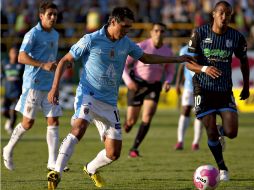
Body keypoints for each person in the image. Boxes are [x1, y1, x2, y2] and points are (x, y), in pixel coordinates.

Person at [46, 7, 195, 190]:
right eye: (124, 26)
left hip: (109, 103)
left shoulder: (126, 43)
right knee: (79, 126)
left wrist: (177, 59)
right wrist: (54, 88)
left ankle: (91, 168)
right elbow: (64, 60)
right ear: (113, 21)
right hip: (88, 94)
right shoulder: (90, 39)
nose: (127, 31)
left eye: (130, 28)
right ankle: (56, 172)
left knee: (114, 153)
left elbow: (146, 58)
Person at [186, 1, 250, 181]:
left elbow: (244, 62)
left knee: (232, 132)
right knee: (210, 132)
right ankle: (222, 168)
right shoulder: (199, 33)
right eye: (221, 13)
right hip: (203, 89)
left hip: (224, 90)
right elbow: (189, 62)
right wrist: (205, 69)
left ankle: (221, 130)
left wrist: (245, 86)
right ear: (213, 14)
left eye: (228, 14)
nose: (224, 17)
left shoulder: (236, 37)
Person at [2, 0, 66, 172]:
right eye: (49, 15)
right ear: (41, 16)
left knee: (53, 120)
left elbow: (52, 60)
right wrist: (42, 65)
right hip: (33, 85)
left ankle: (52, 162)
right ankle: (7, 149)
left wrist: (57, 75)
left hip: (49, 85)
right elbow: (21, 57)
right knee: (28, 123)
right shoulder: (32, 34)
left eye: (55, 15)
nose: (53, 18)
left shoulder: (55, 35)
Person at [122, 22, 175, 158]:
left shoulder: (167, 51)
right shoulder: (141, 46)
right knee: (131, 121)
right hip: (137, 85)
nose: (159, 33)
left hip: (154, 86)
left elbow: (170, 71)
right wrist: (129, 82)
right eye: (156, 30)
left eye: (162, 31)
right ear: (151, 32)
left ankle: (134, 148)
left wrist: (168, 82)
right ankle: (127, 125)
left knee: (147, 116)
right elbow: (124, 65)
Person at [174, 45, 202, 151]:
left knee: (199, 113)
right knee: (185, 110)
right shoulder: (184, 49)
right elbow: (181, 67)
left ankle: (195, 143)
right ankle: (180, 141)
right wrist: (178, 83)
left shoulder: (207, 47)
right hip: (188, 87)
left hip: (202, 87)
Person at [1, 46, 24, 135]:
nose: (14, 55)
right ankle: (9, 119)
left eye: (16, 53)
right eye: (13, 53)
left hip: (17, 93)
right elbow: (2, 75)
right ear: (9, 54)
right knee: (3, 112)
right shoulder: (4, 64)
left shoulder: (21, 65)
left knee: (13, 111)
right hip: (7, 93)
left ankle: (11, 128)